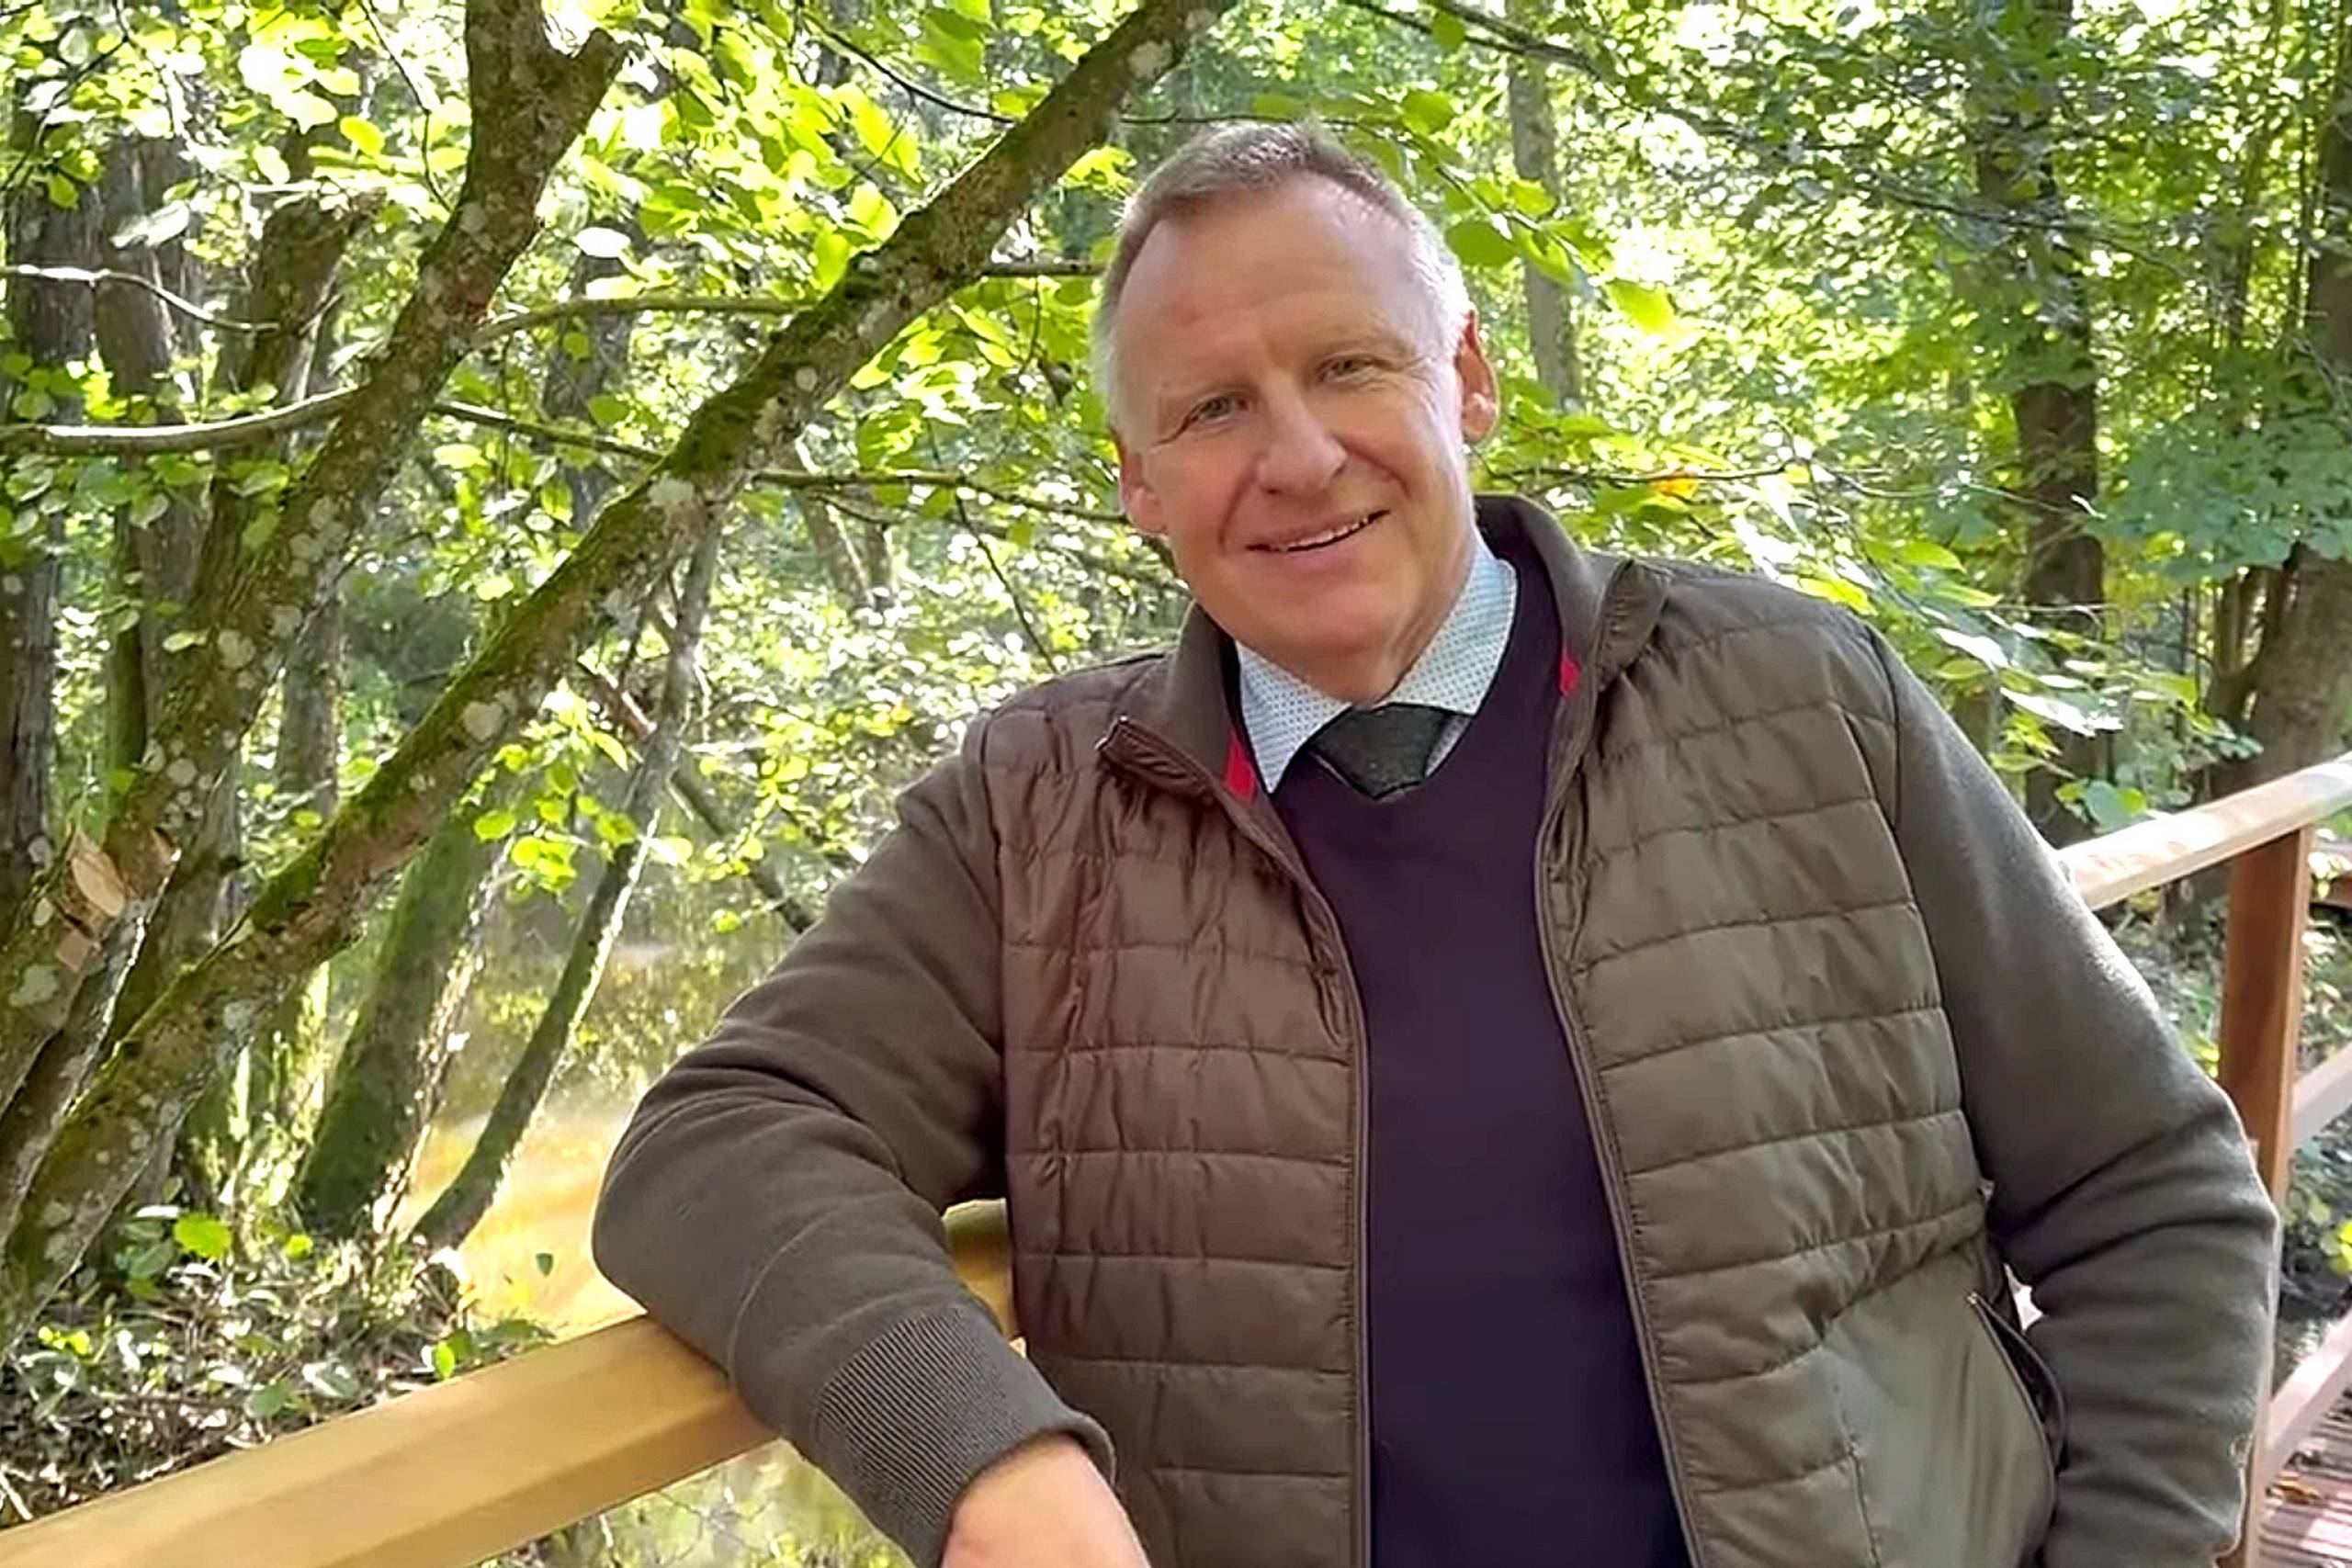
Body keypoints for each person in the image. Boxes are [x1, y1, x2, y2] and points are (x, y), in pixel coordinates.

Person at [593, 123, 2276, 1568]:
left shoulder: (1799, 698)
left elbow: (2152, 1191)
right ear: (1136, 485)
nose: (1300, 455)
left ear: (1464, 379)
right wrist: (982, 1454)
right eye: (1212, 410)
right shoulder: (1045, 806)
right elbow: (723, 1142)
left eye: (1347, 367)